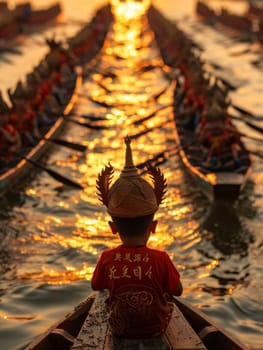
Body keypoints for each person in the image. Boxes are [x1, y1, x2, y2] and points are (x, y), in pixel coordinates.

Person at [92, 136, 183, 340]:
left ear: (113, 227)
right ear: (154, 226)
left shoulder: (107, 257)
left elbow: (96, 286)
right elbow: (178, 291)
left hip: (119, 329)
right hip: (156, 330)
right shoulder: (161, 259)